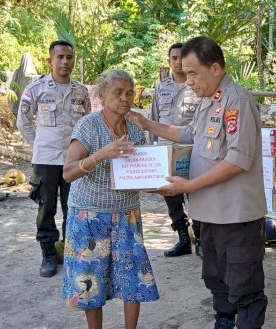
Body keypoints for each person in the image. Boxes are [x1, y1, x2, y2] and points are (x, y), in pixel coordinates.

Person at [129, 36, 268, 329]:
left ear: (215, 68)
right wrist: (147, 123)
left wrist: (188, 187)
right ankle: (223, 322)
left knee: (244, 286)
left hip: (235, 216)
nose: (187, 80)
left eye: (193, 73)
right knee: (216, 279)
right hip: (208, 214)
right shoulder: (209, 101)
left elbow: (238, 160)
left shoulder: (237, 101)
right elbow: (187, 135)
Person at [61, 69, 159, 329]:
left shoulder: (136, 129)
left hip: (127, 215)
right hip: (89, 216)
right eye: (117, 93)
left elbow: (144, 172)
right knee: (90, 281)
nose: (125, 99)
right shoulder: (89, 125)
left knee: (133, 279)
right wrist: (101, 155)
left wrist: (163, 184)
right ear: (102, 96)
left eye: (129, 93)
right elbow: (68, 172)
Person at [16, 40, 91, 277]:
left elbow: (88, 123)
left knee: (74, 208)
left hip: (73, 160)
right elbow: (23, 122)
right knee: (45, 208)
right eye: (59, 57)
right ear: (50, 60)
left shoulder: (81, 91)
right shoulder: (36, 89)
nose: (65, 62)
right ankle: (48, 254)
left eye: (69, 57)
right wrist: (39, 145)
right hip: (46, 159)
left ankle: (70, 253)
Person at [150, 42, 203, 257]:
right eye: (174, 58)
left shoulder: (197, 86)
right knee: (170, 195)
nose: (178, 62)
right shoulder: (161, 87)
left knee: (196, 194)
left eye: (182, 57)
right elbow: (153, 119)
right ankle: (182, 238)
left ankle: (200, 239)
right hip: (164, 150)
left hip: (190, 150)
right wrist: (152, 148)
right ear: (168, 61)